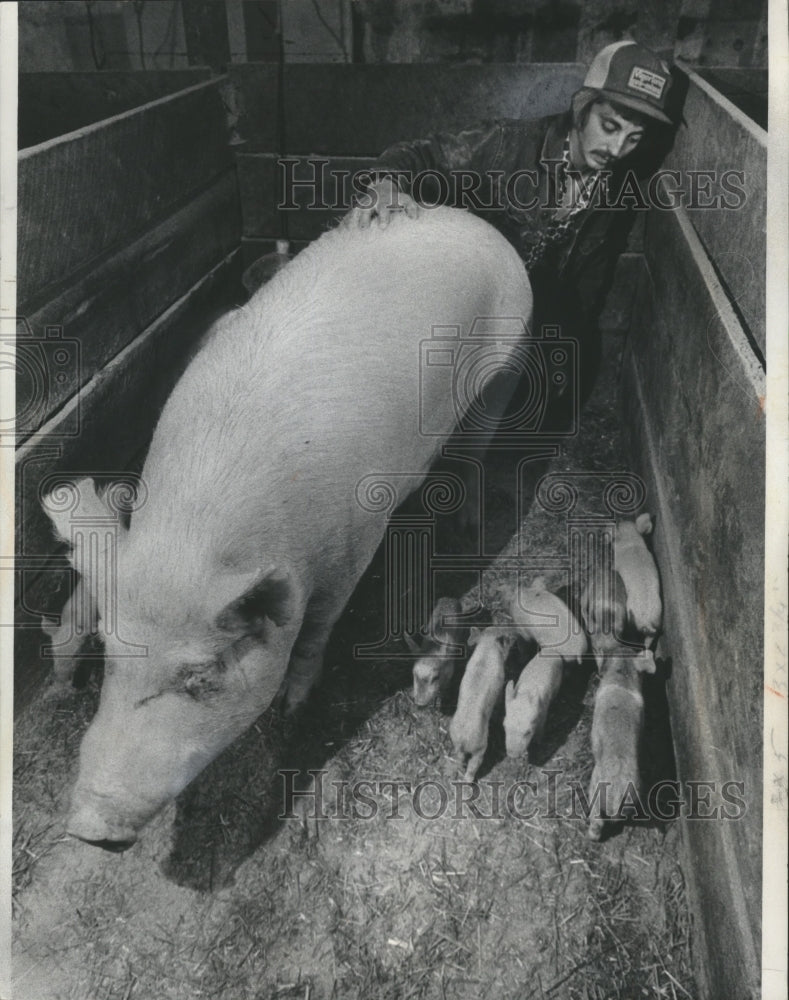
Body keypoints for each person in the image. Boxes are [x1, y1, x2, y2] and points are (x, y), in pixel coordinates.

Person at [348, 40, 675, 423]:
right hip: (462, 318)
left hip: (523, 339)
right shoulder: (506, 145)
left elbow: (587, 286)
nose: (617, 148)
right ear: (583, 106)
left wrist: (562, 352)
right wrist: (386, 183)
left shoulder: (615, 189)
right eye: (610, 126)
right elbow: (421, 156)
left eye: (633, 138)